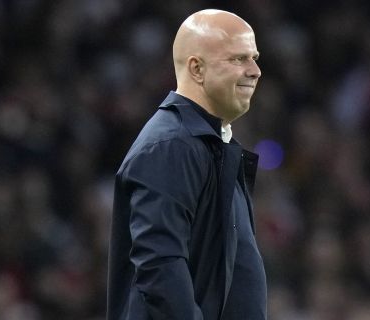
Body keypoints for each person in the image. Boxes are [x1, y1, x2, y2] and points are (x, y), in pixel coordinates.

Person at [106, 9, 266, 320]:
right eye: (239, 59)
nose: (255, 70)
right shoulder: (170, 146)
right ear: (197, 68)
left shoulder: (209, 144)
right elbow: (160, 265)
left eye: (254, 57)